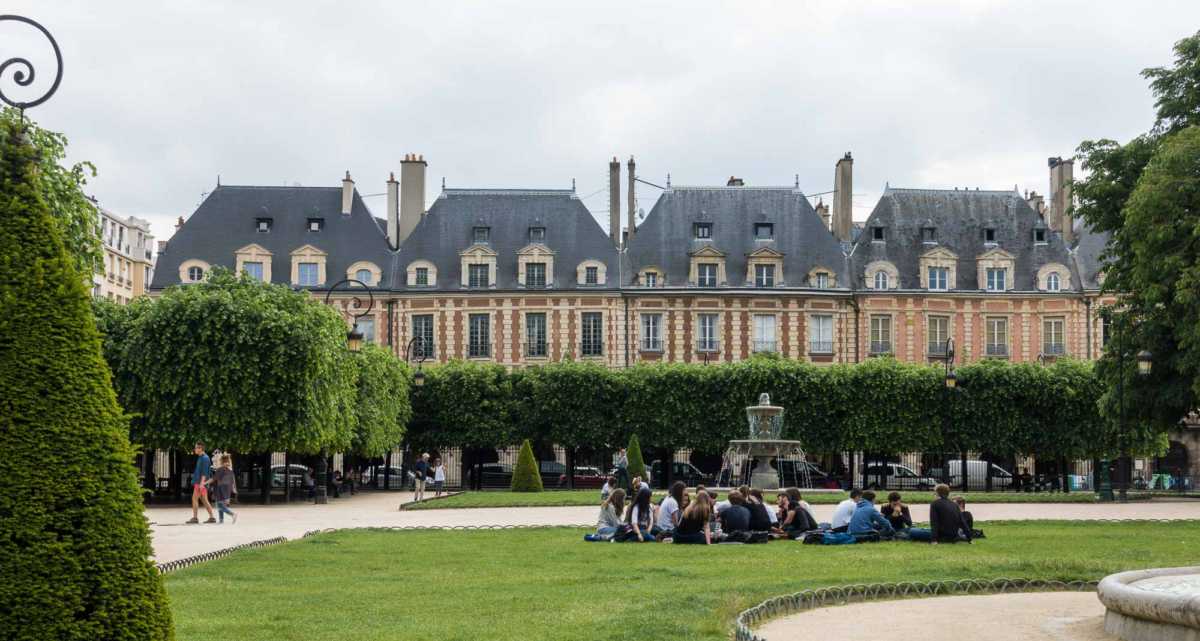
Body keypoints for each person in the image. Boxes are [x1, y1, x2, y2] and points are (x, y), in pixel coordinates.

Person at [186, 442, 216, 524]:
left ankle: (195, 518)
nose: (195, 449)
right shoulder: (201, 457)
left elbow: (205, 473)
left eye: (196, 448)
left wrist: (202, 484)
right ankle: (212, 517)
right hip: (199, 482)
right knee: (204, 500)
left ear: (200, 448)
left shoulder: (205, 458)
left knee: (194, 498)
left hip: (200, 483)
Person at [212, 454, 238, 524]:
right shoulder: (229, 467)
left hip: (221, 487)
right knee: (221, 503)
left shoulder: (222, 467)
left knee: (219, 504)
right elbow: (233, 478)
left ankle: (232, 514)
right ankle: (221, 520)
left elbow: (215, 477)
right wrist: (233, 487)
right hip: (226, 487)